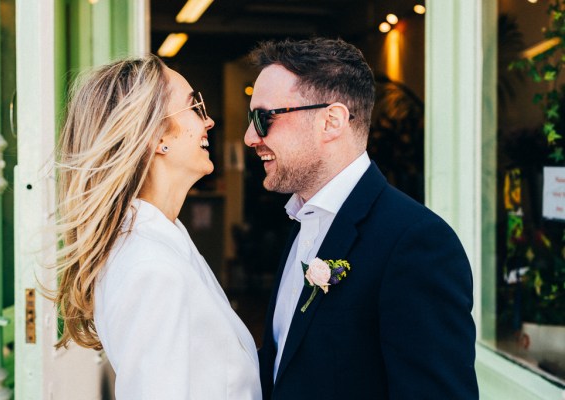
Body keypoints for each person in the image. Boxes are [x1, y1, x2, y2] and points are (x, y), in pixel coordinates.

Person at [244, 37, 478, 399]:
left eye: (263, 118)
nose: (249, 137)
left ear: (331, 121)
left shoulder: (417, 243)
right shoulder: (302, 220)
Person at [53, 55, 261, 399]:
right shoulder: (150, 269)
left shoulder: (165, 237)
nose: (208, 121)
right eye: (194, 107)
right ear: (156, 137)